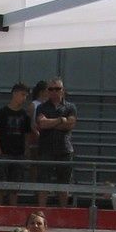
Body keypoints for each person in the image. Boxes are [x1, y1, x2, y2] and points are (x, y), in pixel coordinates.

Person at [33, 78, 76, 206]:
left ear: (63, 90)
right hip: (46, 149)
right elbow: (41, 124)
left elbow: (70, 125)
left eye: (57, 89)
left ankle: (63, 210)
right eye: (51, 89)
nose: (54, 92)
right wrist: (60, 120)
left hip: (64, 150)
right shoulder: (42, 107)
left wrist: (51, 122)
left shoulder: (70, 107)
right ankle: (42, 211)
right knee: (43, 182)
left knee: (64, 183)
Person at [0, 81, 33, 205]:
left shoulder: (24, 115)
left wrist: (26, 151)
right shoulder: (3, 112)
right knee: (0, 186)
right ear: (14, 94)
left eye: (26, 95)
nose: (24, 98)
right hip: (4, 153)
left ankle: (12, 210)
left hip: (18, 154)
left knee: (15, 187)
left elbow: (27, 135)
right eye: (22, 94)